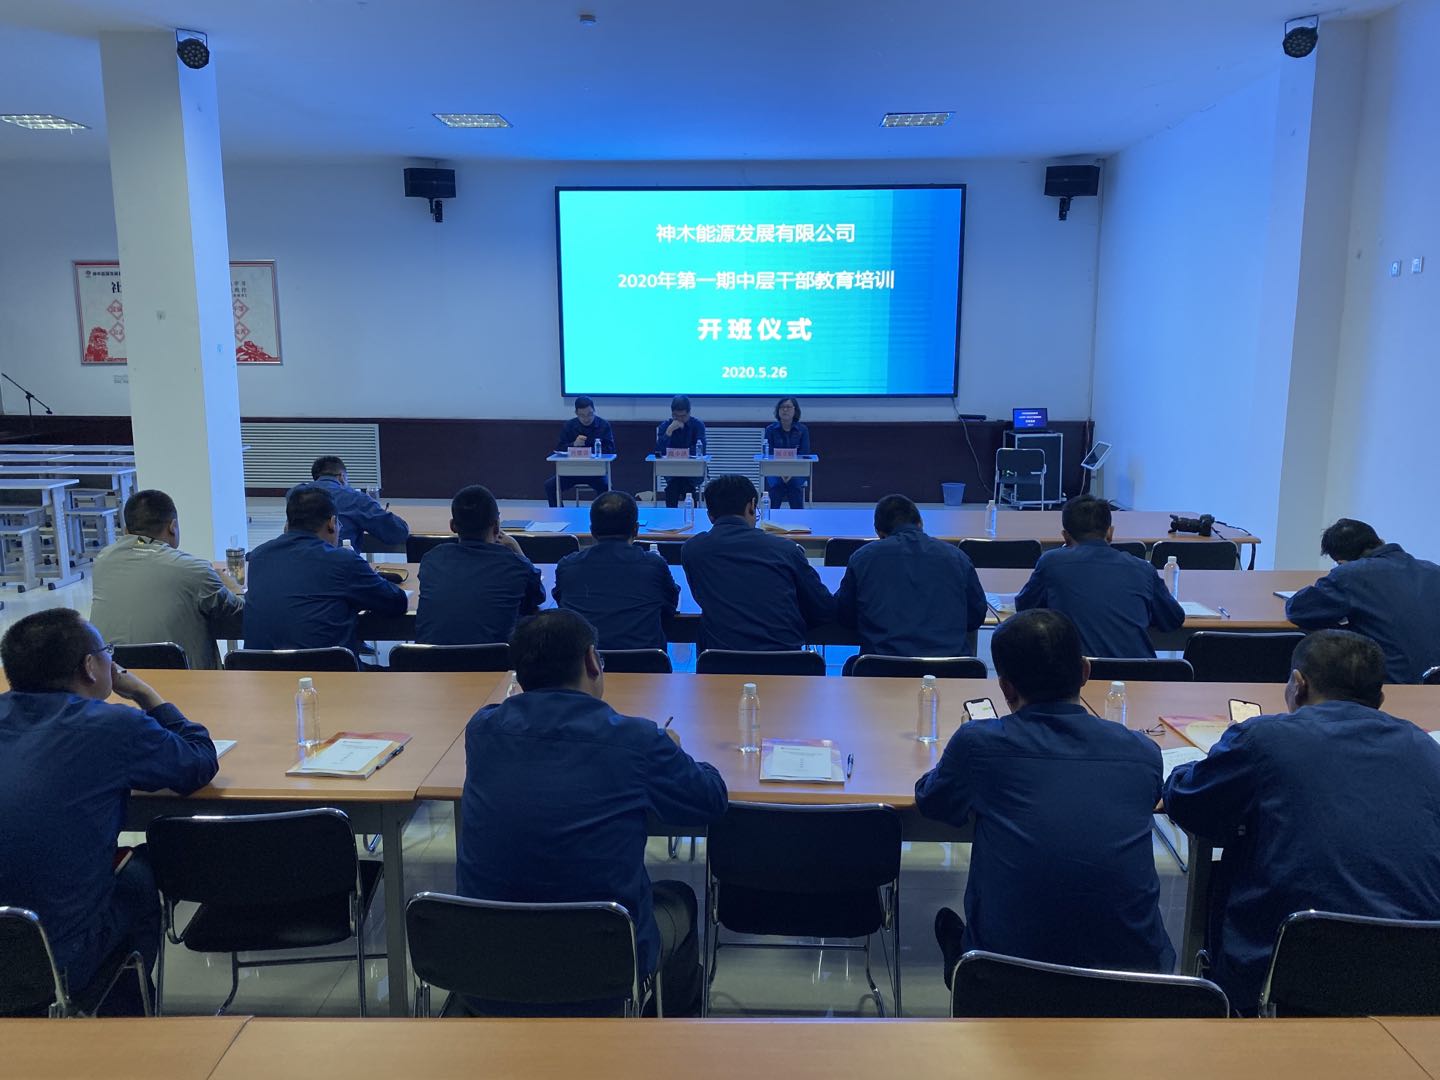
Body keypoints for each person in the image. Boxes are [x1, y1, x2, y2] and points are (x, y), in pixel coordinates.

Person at [457, 610, 728, 1015]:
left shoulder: (481, 729)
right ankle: (670, 1035)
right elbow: (711, 800)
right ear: (591, 660)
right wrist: (673, 750)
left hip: (485, 969)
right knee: (680, 899)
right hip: (602, 973)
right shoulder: (638, 741)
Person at [1165, 629, 1440, 1011]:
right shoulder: (1426, 749)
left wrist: (1182, 773)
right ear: (1379, 699)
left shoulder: (1263, 739)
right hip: (1413, 981)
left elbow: (1189, 804)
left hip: (1286, 974)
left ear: (1297, 685)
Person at [916, 609, 1175, 985]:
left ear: (1006, 688)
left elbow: (932, 802)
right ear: (1085, 671)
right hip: (1134, 984)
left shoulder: (978, 745)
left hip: (1008, 979)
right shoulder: (1143, 752)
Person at [0, 609, 218, 1015]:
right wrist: (147, 695)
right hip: (53, 961)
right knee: (139, 871)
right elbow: (198, 762)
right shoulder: (112, 726)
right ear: (89, 666)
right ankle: (123, 1008)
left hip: (11, 942)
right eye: (107, 652)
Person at [89, 489, 245, 670]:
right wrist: (233, 586)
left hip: (115, 678)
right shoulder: (194, 570)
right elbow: (242, 618)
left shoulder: (103, 561)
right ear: (173, 526)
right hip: (183, 681)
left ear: (126, 531)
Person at [243, 486, 408, 657]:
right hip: (325, 670)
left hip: (258, 670)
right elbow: (396, 602)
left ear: (288, 524)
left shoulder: (258, 557)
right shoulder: (342, 561)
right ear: (331, 523)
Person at [1014, 494, 1184, 658]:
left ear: (1065, 537)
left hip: (1075, 673)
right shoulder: (1143, 569)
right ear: (1110, 532)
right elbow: (1173, 619)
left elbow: (1024, 608)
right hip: (1137, 674)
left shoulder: (1051, 563)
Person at [681, 473, 835, 651]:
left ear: (710, 515)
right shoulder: (786, 550)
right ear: (752, 506)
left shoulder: (693, 550)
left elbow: (700, 596)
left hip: (718, 662)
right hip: (786, 663)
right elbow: (823, 609)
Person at [1284, 518, 1440, 683]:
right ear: (1380, 542)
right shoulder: (1433, 570)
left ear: (1341, 562)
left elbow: (1297, 609)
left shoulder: (1349, 575)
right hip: (1434, 684)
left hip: (1390, 684)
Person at [835, 494, 987, 657]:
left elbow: (846, 615)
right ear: (920, 523)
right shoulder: (957, 557)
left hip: (880, 667)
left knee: (851, 666)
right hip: (950, 668)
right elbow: (976, 616)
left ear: (879, 533)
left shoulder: (862, 558)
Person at [416, 484, 544, 645]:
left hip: (428, 659)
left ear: (453, 526)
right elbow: (538, 597)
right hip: (495, 660)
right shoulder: (515, 564)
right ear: (496, 526)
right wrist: (516, 550)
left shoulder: (432, 559)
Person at [553, 491, 678, 651]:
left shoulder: (567, 566)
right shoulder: (654, 565)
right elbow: (670, 606)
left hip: (584, 662)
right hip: (645, 663)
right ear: (636, 529)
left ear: (592, 531)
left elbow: (562, 605)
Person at [295, 455, 410, 552]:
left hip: (297, 562)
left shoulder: (296, 495)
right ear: (342, 476)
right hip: (340, 565)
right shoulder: (355, 498)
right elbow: (398, 532)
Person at [545, 396, 615, 507]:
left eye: (590, 414)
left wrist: (590, 450)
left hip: (595, 472)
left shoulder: (603, 425)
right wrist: (574, 444)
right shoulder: (569, 426)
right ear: (576, 413)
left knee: (607, 487)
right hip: (571, 472)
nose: (587, 418)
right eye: (582, 415)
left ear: (594, 410)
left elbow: (610, 449)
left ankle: (602, 514)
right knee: (550, 486)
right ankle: (558, 513)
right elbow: (559, 449)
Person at [654, 395, 707, 508]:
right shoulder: (665, 426)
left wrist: (679, 453)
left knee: (681, 485)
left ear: (689, 413)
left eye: (683, 416)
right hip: (672, 471)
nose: (679, 419)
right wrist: (668, 432)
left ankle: (691, 512)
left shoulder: (697, 425)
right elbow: (658, 451)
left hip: (692, 471)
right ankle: (672, 513)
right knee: (675, 485)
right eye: (676, 416)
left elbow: (700, 450)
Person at [761, 397, 811, 510]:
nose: (785, 410)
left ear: (795, 410)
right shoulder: (770, 429)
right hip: (775, 470)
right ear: (778, 411)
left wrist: (790, 473)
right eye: (782, 407)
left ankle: (798, 518)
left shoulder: (802, 430)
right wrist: (781, 473)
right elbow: (768, 453)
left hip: (797, 470)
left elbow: (804, 453)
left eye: (788, 407)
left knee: (795, 485)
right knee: (776, 486)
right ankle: (771, 518)